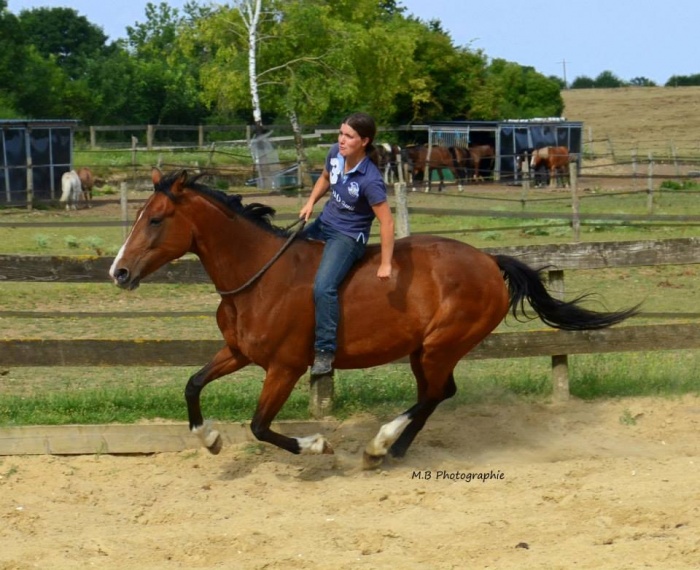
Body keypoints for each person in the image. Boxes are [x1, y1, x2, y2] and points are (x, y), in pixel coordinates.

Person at [299, 112, 395, 376]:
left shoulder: (370, 179)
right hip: (324, 224)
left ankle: (324, 352)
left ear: (364, 141)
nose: (341, 140)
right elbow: (325, 178)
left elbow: (387, 222)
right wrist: (310, 202)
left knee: (323, 287)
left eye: (349, 136)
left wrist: (386, 263)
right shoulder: (335, 154)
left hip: (348, 237)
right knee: (285, 258)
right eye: (341, 133)